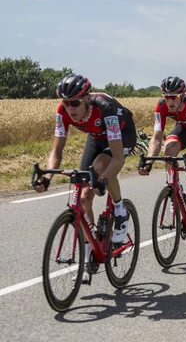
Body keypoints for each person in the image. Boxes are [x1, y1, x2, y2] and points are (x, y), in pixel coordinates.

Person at [34, 74, 137, 282]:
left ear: (87, 99)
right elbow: (57, 151)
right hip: (97, 137)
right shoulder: (62, 112)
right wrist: (47, 176)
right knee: (83, 197)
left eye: (75, 103)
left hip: (122, 135)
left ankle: (120, 210)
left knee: (101, 166)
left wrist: (103, 180)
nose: (70, 108)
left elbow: (117, 159)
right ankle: (90, 251)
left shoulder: (105, 109)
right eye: (66, 102)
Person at [140, 76, 186, 250]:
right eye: (166, 97)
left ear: (182, 95)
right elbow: (157, 138)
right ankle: (175, 189)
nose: (169, 101)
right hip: (183, 128)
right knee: (169, 149)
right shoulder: (161, 106)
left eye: (173, 97)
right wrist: (150, 161)